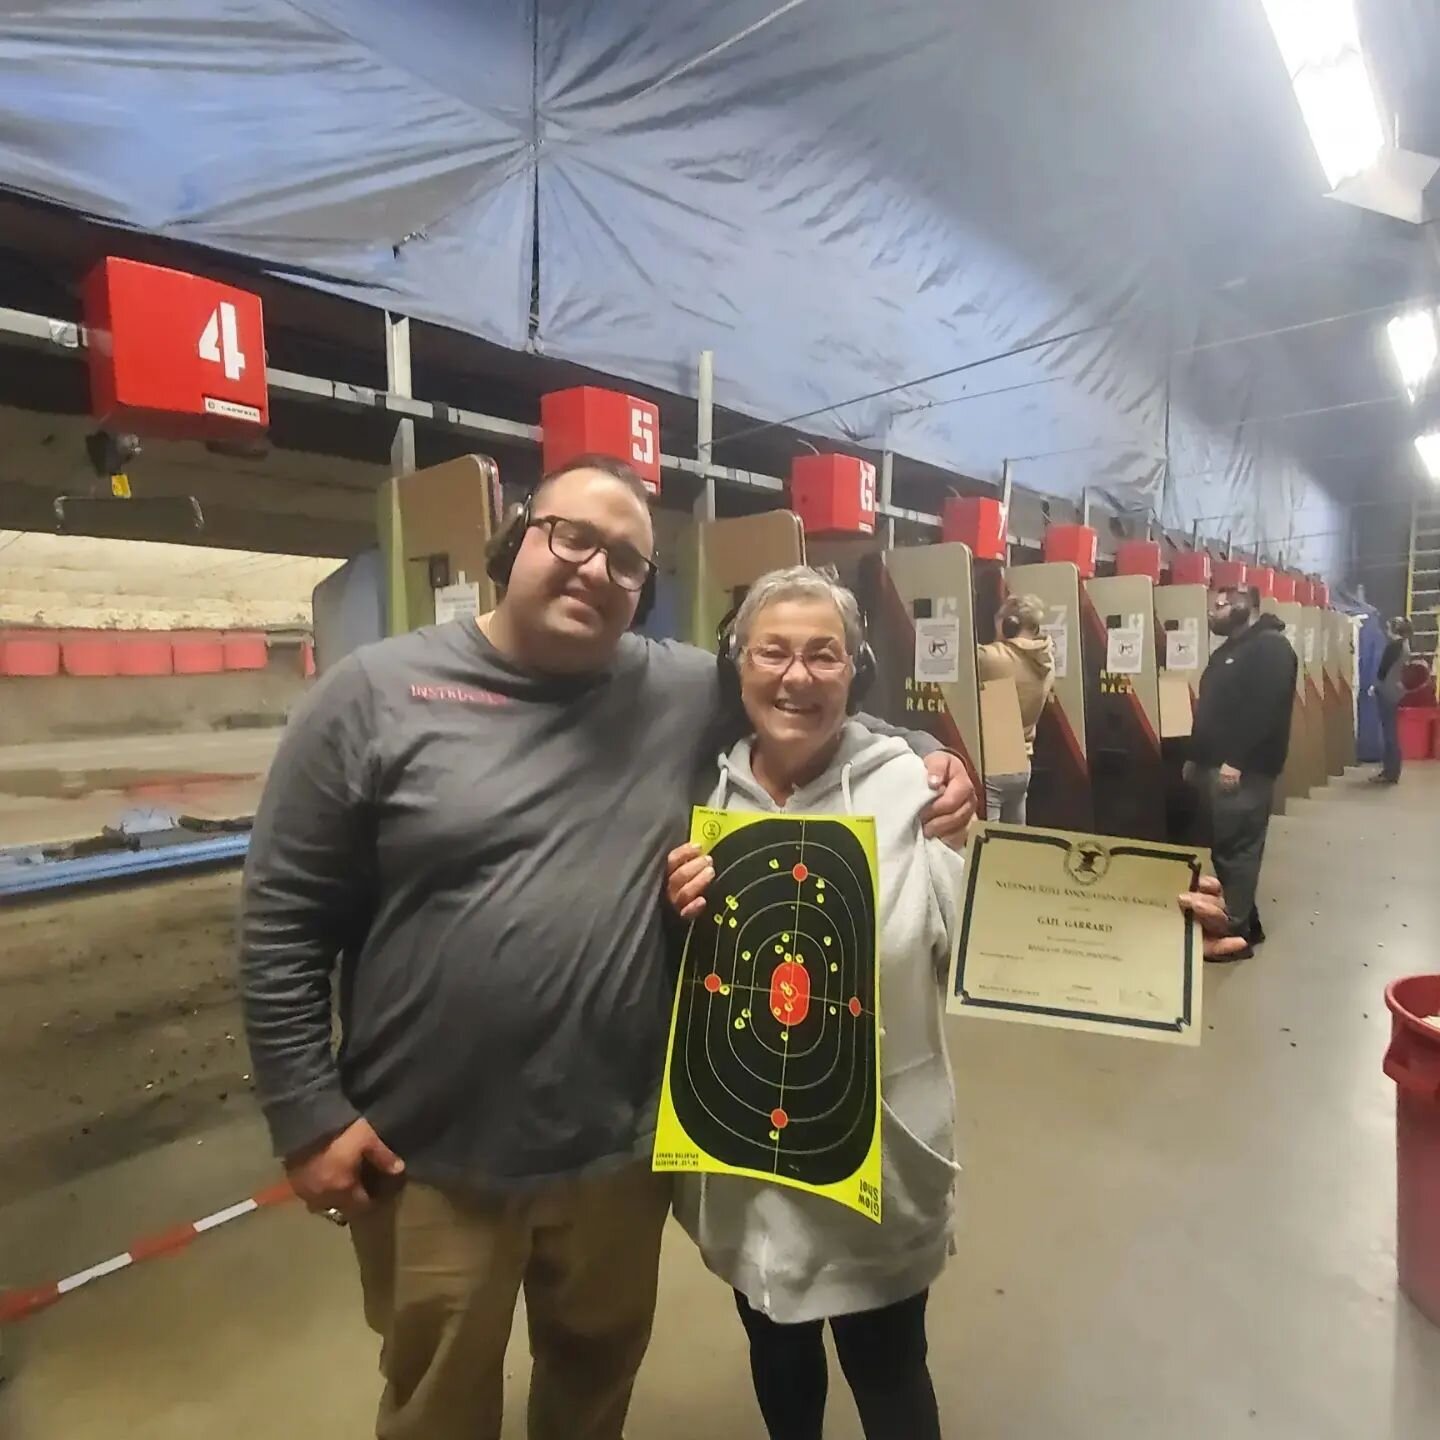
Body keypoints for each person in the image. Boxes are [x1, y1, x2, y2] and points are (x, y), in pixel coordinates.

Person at [238, 455, 976, 1440]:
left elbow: (801, 699)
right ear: (516, 543)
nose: (593, 568)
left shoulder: (672, 687)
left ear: (642, 592)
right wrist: (306, 1114)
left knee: (591, 1398)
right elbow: (284, 911)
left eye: (625, 559)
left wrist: (929, 758)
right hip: (433, 1157)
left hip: (620, 1157)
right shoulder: (372, 694)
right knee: (436, 1410)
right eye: (570, 537)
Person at [663, 567, 1245, 1440]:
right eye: (773, 652)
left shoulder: (917, 789)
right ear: (737, 664)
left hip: (878, 1159)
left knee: (890, 1375)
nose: (797, 676)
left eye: (824, 655)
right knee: (778, 1359)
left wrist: (1150, 931)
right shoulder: (699, 795)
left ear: (855, 668)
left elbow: (999, 930)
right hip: (746, 1152)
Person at [1185, 580, 1297, 960]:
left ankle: (1234, 937)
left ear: (1246, 605)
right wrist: (1195, 756)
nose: (1212, 610)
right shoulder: (1233, 649)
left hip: (1242, 772)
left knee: (1237, 851)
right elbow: (1214, 710)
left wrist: (1236, 760)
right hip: (1217, 767)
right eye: (1212, 605)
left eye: (1221, 604)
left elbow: (1262, 713)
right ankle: (1249, 924)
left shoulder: (1270, 649)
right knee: (1226, 848)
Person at [975, 593, 1055, 823]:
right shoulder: (1047, 662)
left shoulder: (992, 658)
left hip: (995, 763)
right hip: (1021, 762)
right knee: (1013, 843)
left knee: (988, 847)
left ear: (1011, 623)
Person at [1372, 616, 1412, 785]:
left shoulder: (1392, 647)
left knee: (1389, 733)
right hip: (1395, 692)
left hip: (1386, 692)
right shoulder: (1404, 645)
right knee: (1392, 733)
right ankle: (1392, 771)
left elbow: (1382, 671)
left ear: (1394, 629)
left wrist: (1374, 686)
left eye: (1388, 626)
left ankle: (1390, 772)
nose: (1386, 629)